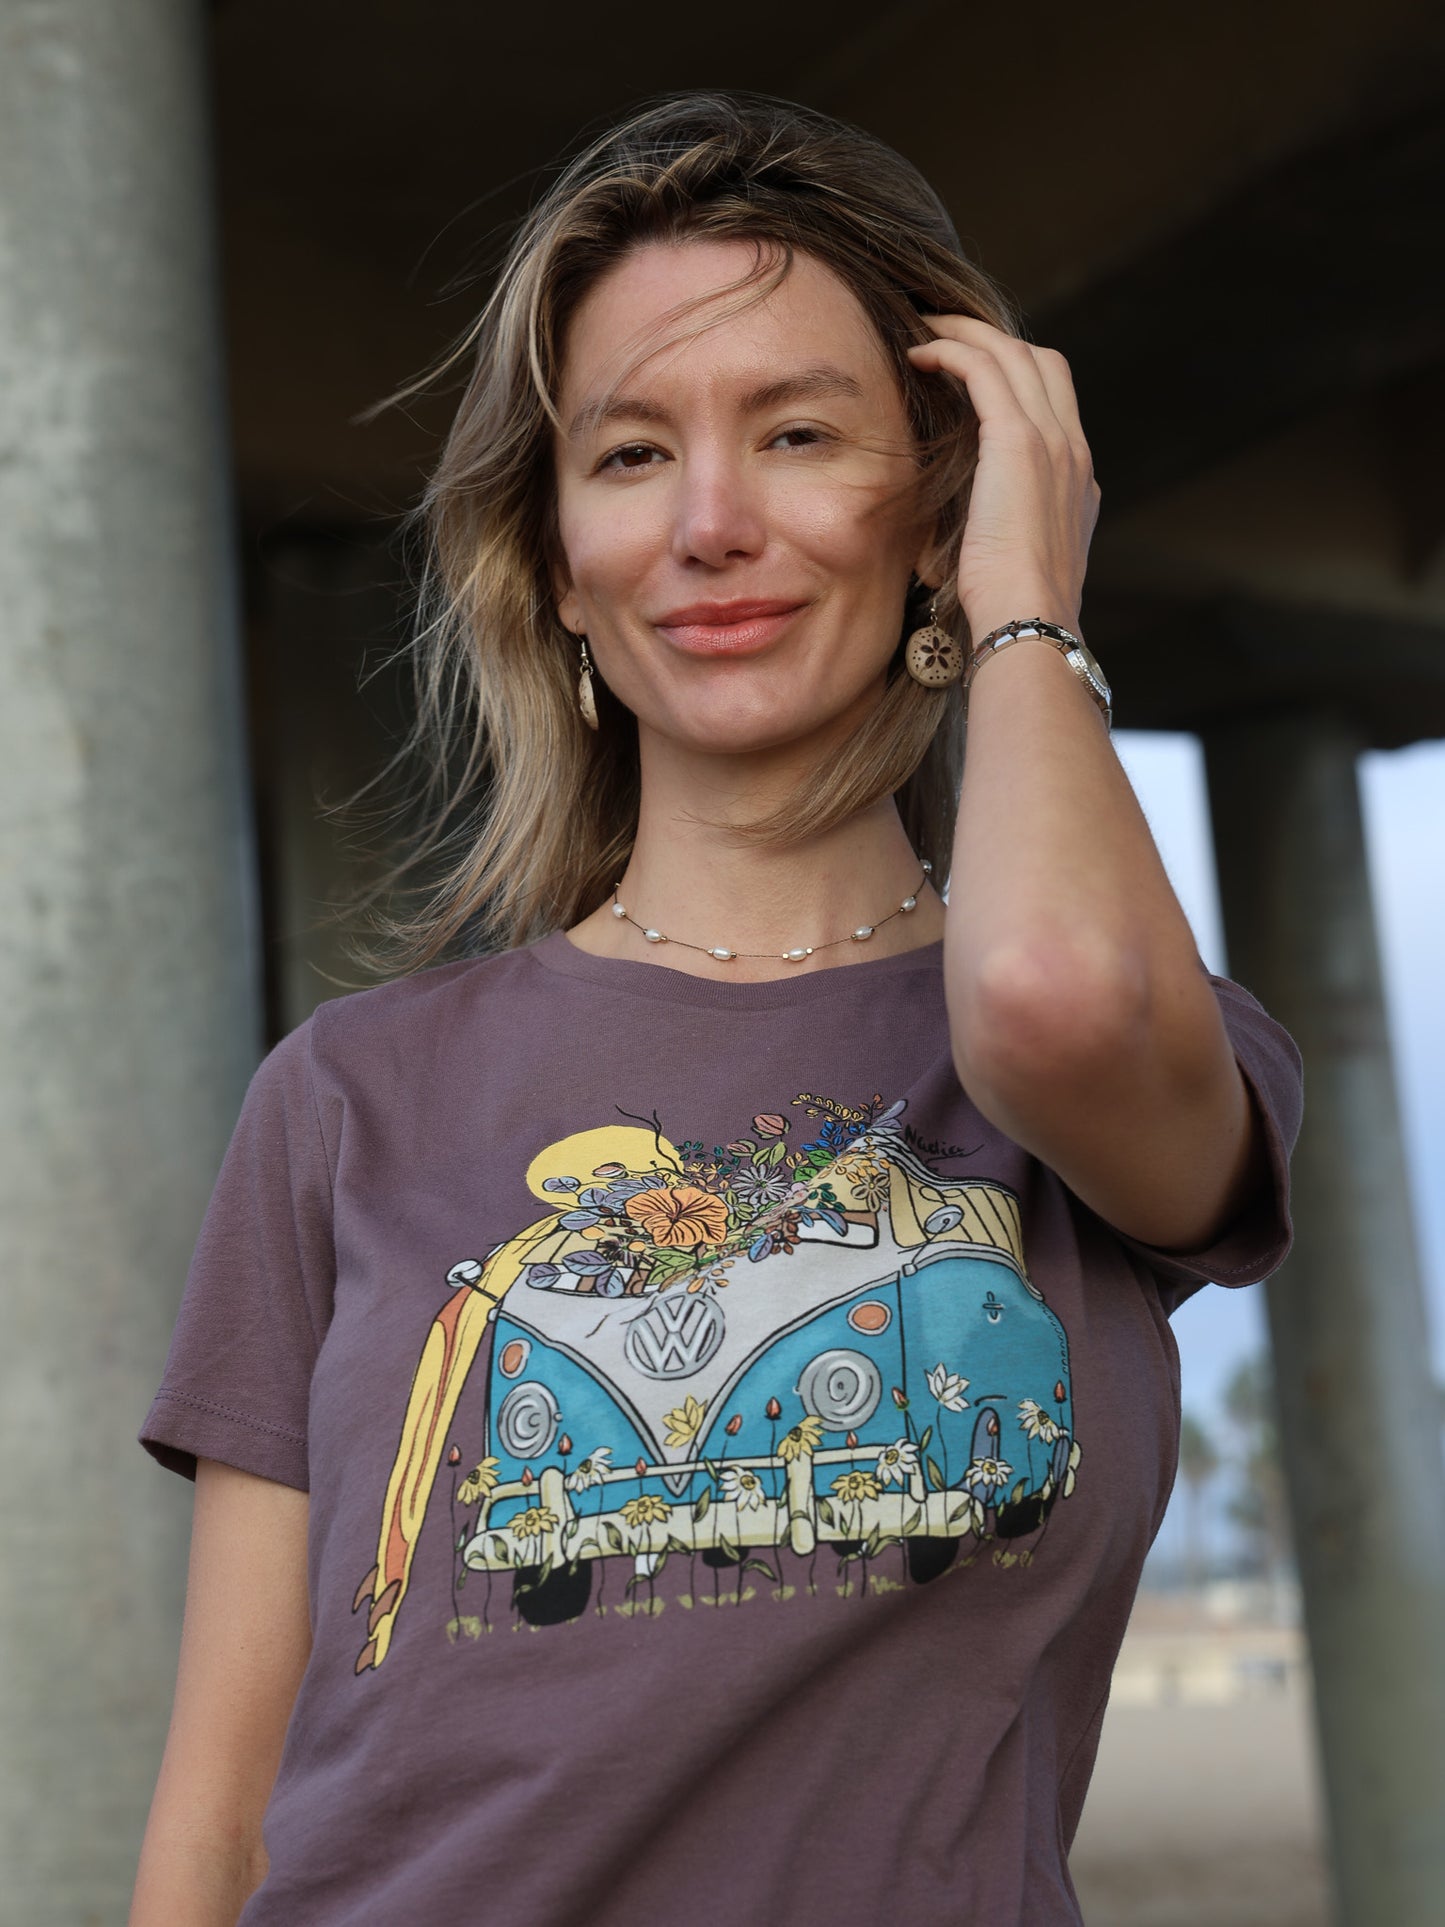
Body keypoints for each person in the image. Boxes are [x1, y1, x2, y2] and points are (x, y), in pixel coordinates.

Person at [130, 90, 1304, 1925]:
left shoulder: (1129, 1049)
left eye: (799, 433)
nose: (708, 522)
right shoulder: (348, 1098)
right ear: (564, 574)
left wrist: (1024, 598)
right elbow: (220, 1831)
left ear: (933, 510)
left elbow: (1049, 994)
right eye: (627, 456)